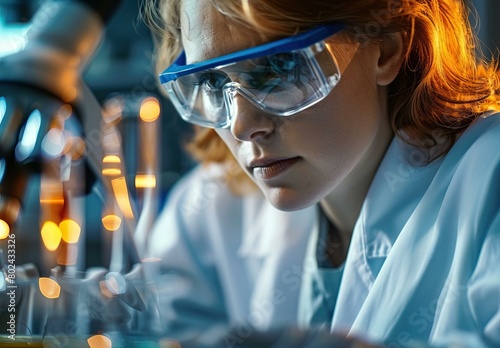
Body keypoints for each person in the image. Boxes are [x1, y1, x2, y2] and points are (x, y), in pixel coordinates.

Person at [142, 0, 500, 346]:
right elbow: (159, 329)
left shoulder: (490, 178)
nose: (241, 126)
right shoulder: (213, 207)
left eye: (278, 68)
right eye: (213, 83)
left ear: (386, 49)